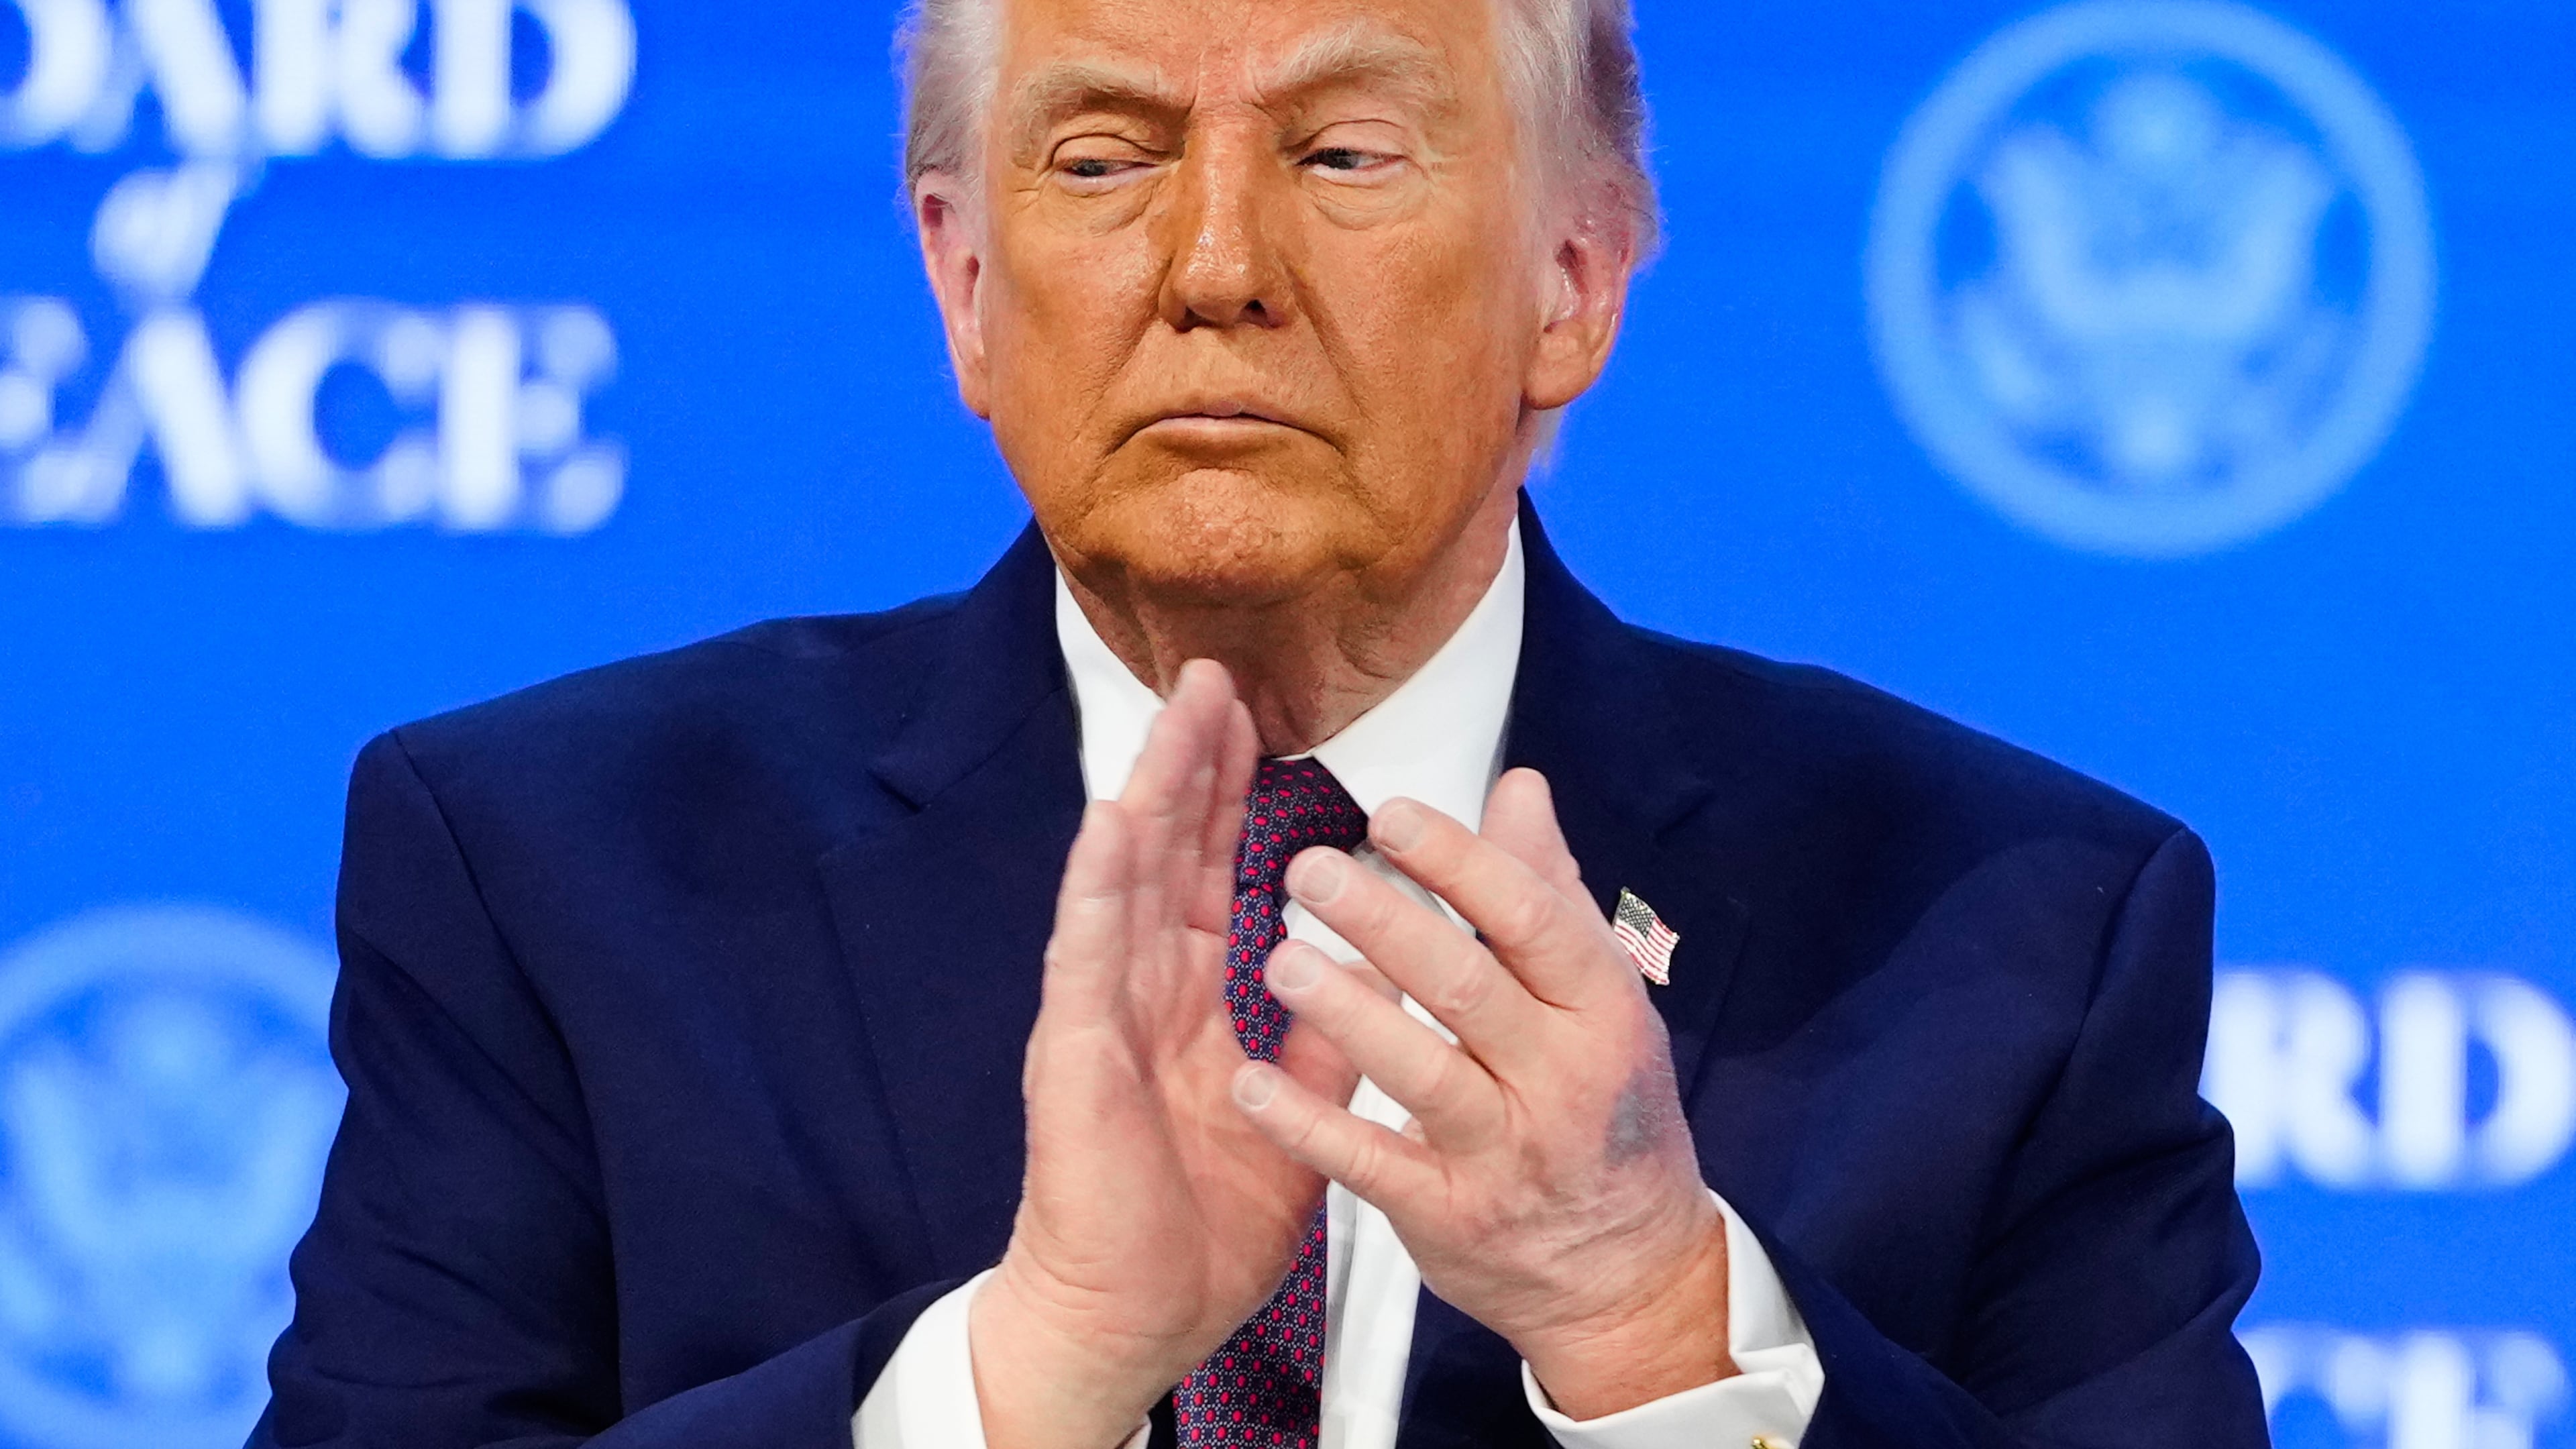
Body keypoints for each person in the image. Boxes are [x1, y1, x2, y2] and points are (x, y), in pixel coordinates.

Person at [252, 0, 2269, 1445]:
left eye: (1344, 152)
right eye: (1104, 156)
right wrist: (1025, 1372)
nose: (1216, 266)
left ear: (1573, 278)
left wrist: (1661, 1333)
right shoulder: (552, 867)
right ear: (964, 282)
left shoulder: (2010, 933)